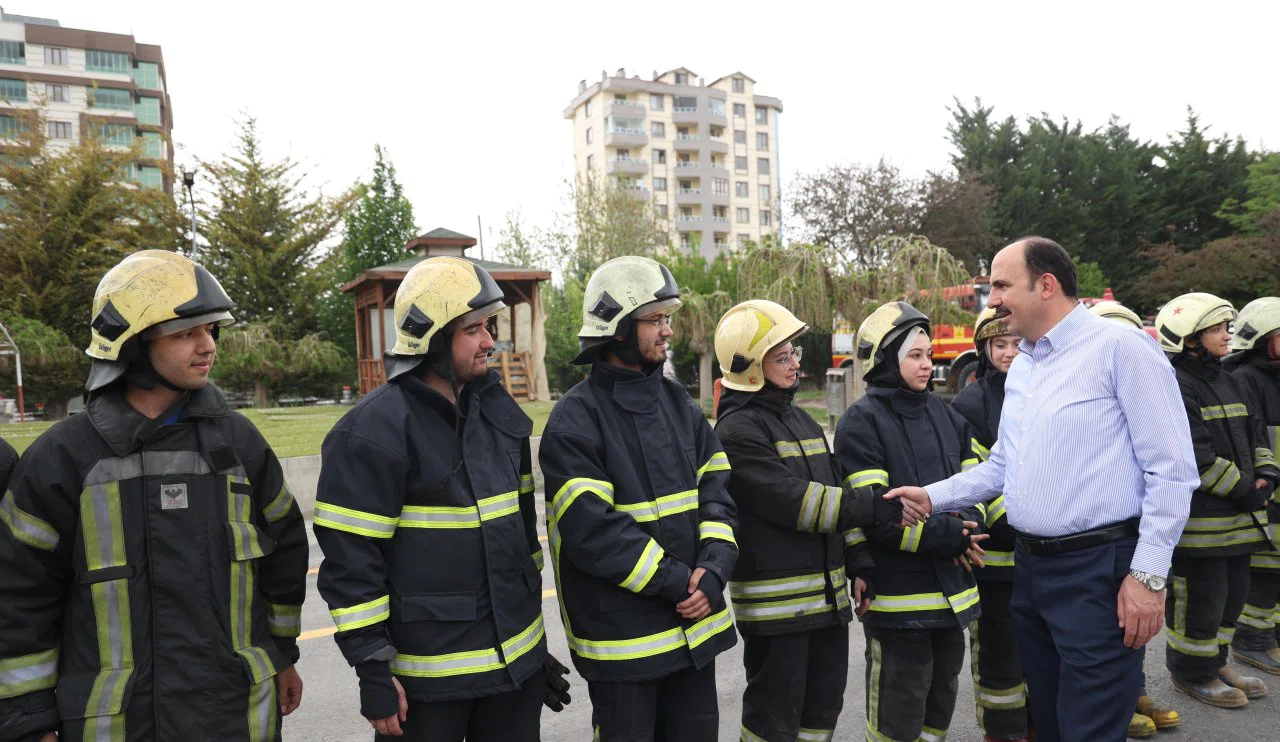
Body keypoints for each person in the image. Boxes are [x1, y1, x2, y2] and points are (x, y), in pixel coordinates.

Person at [885, 237, 1199, 742]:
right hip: (1032, 573)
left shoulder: (1120, 348)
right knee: (1050, 723)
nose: (992, 300)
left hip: (1099, 570)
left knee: (1091, 727)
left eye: (1002, 286)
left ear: (1046, 285)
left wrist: (1147, 576)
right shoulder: (1027, 363)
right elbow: (1004, 465)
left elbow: (1173, 470)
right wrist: (933, 495)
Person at [0, 250, 308, 741]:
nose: (207, 346)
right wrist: (28, 719)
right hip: (121, 725)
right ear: (131, 344)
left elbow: (284, 560)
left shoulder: (239, 445)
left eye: (211, 330)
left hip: (234, 717)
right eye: (185, 333)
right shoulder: (63, 458)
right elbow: (19, 596)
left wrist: (283, 655)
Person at [314, 257, 566, 741]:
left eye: (488, 326)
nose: (490, 341)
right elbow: (352, 565)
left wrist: (529, 654)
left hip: (513, 677)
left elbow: (520, 545)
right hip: (427, 688)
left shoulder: (497, 413)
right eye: (473, 329)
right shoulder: (371, 432)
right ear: (428, 337)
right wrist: (373, 669)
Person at [539, 256, 738, 742]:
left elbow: (718, 491)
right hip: (626, 649)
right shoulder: (574, 421)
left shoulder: (678, 403)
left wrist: (714, 570)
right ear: (617, 327)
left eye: (667, 318)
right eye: (655, 319)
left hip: (694, 634)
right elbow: (593, 531)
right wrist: (681, 583)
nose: (667, 330)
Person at [712, 300, 904, 742]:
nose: (795, 364)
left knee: (821, 714)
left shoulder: (801, 420)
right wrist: (875, 505)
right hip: (777, 613)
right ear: (750, 368)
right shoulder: (736, 433)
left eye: (793, 353)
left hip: (827, 606)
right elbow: (800, 503)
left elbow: (834, 488)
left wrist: (859, 562)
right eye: (782, 357)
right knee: (772, 721)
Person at [835, 300, 988, 742]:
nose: (927, 364)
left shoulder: (947, 415)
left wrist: (965, 530)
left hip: (952, 595)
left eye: (929, 354)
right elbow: (877, 516)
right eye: (915, 356)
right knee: (897, 715)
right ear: (885, 360)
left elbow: (976, 484)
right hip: (898, 602)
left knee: (939, 706)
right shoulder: (861, 423)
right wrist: (950, 536)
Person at [1153, 293, 1276, 709]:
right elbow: (1193, 455)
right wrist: (1246, 489)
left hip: (1239, 518)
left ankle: (1217, 663)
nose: (1228, 336)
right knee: (1199, 602)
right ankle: (1192, 672)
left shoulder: (1229, 378)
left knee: (1231, 597)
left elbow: (1256, 433)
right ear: (1189, 338)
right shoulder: (1175, 384)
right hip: (1201, 524)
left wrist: (1268, 473)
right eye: (1218, 329)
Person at [1088, 300, 1182, 737]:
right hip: (1096, 537)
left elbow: (1170, 469)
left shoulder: (1149, 388)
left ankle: (1133, 693)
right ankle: (1117, 704)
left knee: (1132, 624)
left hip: (1139, 532)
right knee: (1101, 632)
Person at [950, 307, 1029, 742]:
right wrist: (1016, 520)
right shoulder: (972, 403)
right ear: (984, 349)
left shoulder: (1045, 388)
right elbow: (976, 475)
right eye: (1000, 345)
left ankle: (1038, 725)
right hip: (996, 558)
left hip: (1043, 552)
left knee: (1039, 648)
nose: (1010, 352)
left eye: (1018, 343)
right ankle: (1002, 731)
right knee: (999, 649)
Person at [1227, 297, 1280, 674]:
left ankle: (1271, 635)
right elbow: (1250, 439)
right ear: (1261, 339)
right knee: (1266, 571)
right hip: (1267, 496)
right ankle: (1251, 640)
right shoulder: (1246, 379)